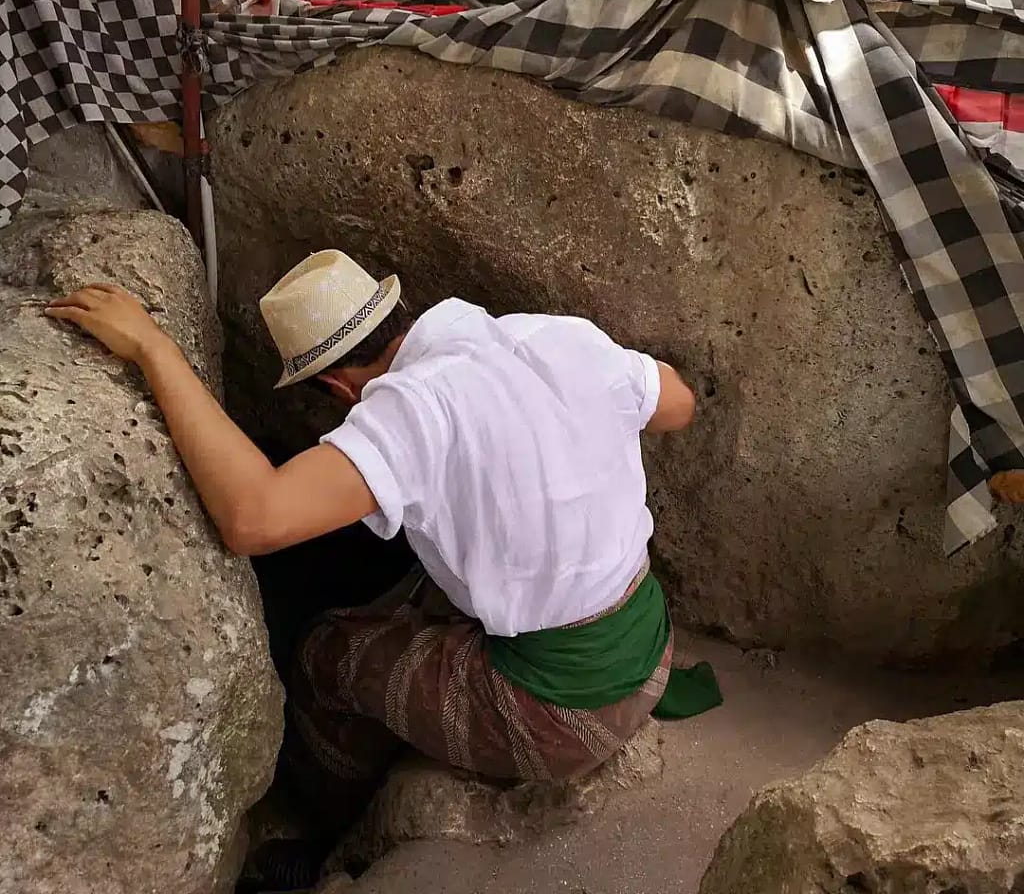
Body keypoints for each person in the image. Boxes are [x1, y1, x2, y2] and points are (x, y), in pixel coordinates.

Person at [47, 249, 720, 879]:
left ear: (338, 388)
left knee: (324, 654)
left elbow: (253, 518)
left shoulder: (412, 410)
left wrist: (153, 349)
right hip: (647, 645)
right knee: (424, 576)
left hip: (561, 716)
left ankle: (326, 829)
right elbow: (679, 403)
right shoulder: (553, 336)